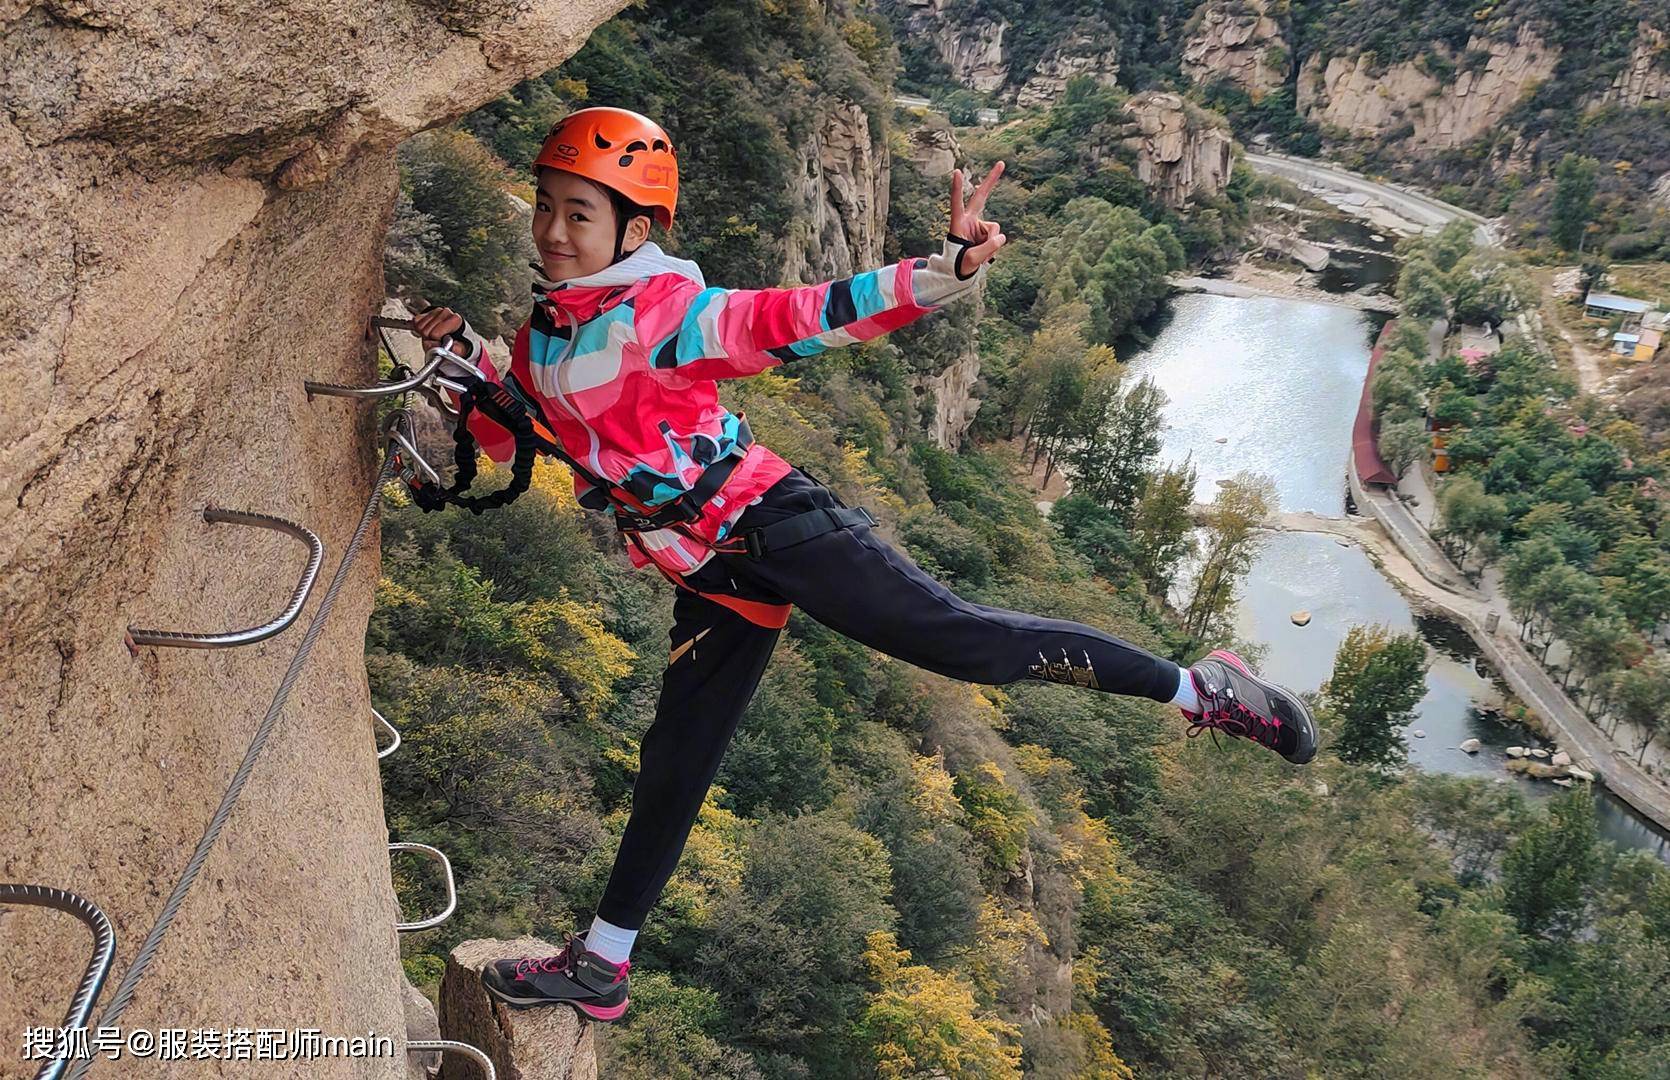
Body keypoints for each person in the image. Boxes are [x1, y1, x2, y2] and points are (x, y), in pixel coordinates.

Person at [409, 106, 1318, 1024]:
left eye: (580, 215)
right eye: (547, 207)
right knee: (676, 759)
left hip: (773, 526)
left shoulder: (664, 314)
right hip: (709, 573)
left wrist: (943, 271)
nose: (555, 232)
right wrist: (458, 365)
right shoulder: (544, 338)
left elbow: (801, 318)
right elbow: (505, 431)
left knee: (967, 643)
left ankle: (1204, 689)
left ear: (633, 231)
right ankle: (604, 964)